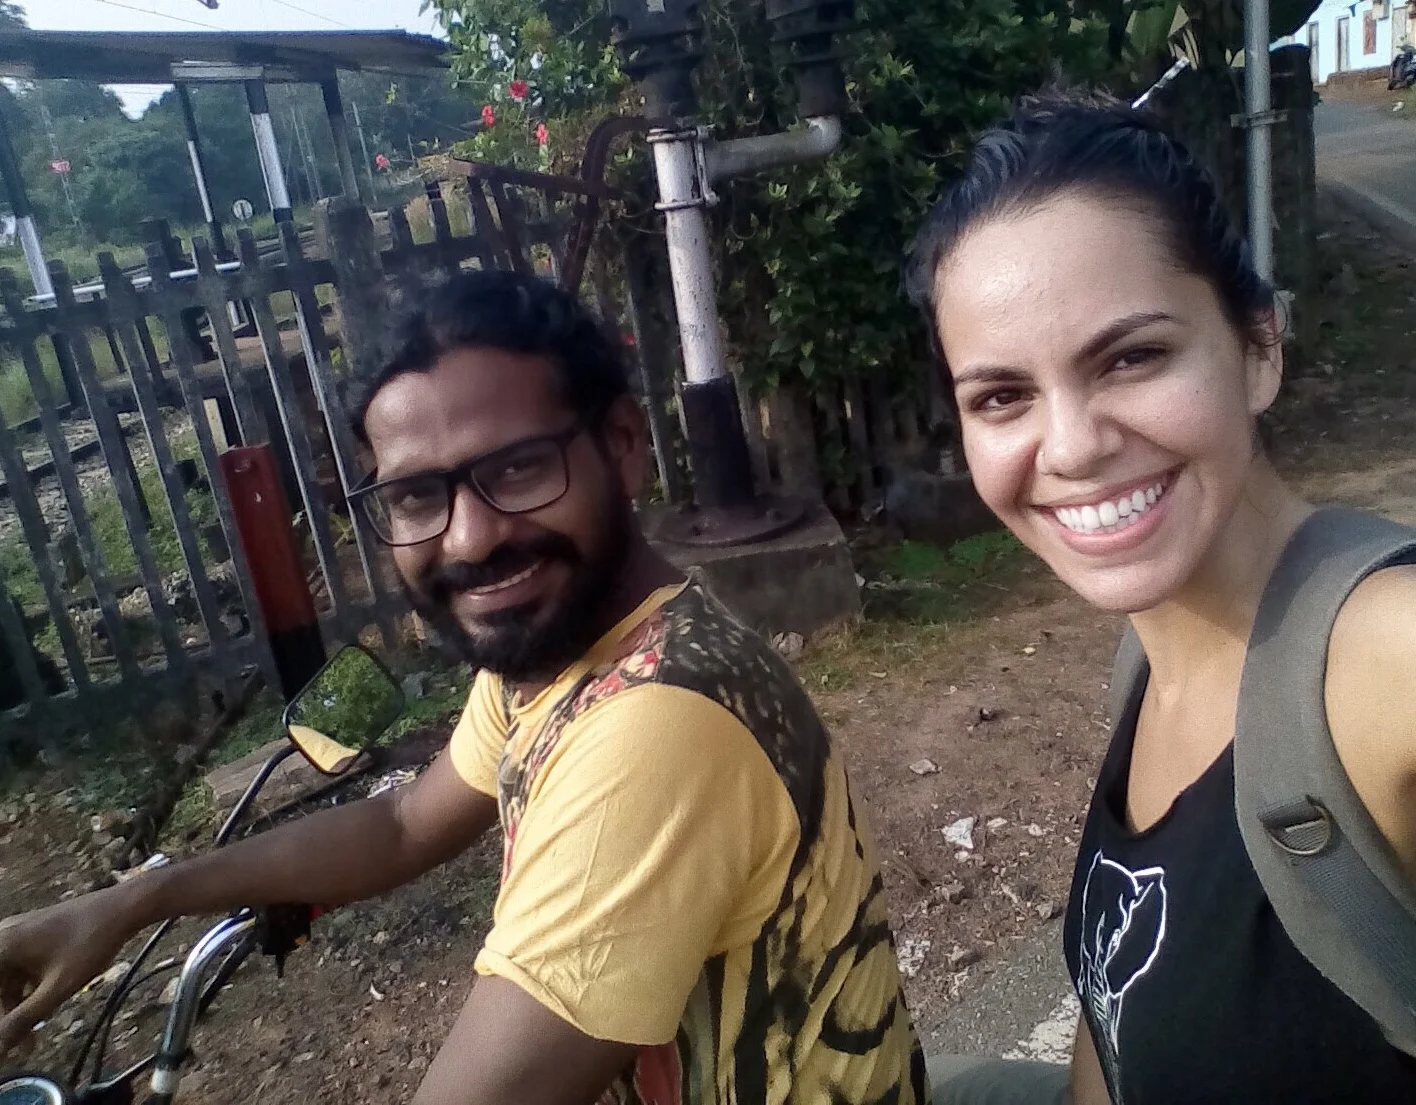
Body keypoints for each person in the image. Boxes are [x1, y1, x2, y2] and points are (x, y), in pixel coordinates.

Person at [0, 271, 928, 1105]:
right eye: (416, 497)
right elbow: (405, 820)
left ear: (622, 446)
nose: (470, 536)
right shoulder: (560, 650)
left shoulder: (652, 730)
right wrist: (138, 897)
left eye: (517, 467)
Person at [904, 91, 1416, 1104]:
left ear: (1258, 351)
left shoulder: (1383, 660)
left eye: (1132, 356)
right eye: (1002, 395)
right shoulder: (1152, 659)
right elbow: (1114, 1023)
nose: (1074, 444)